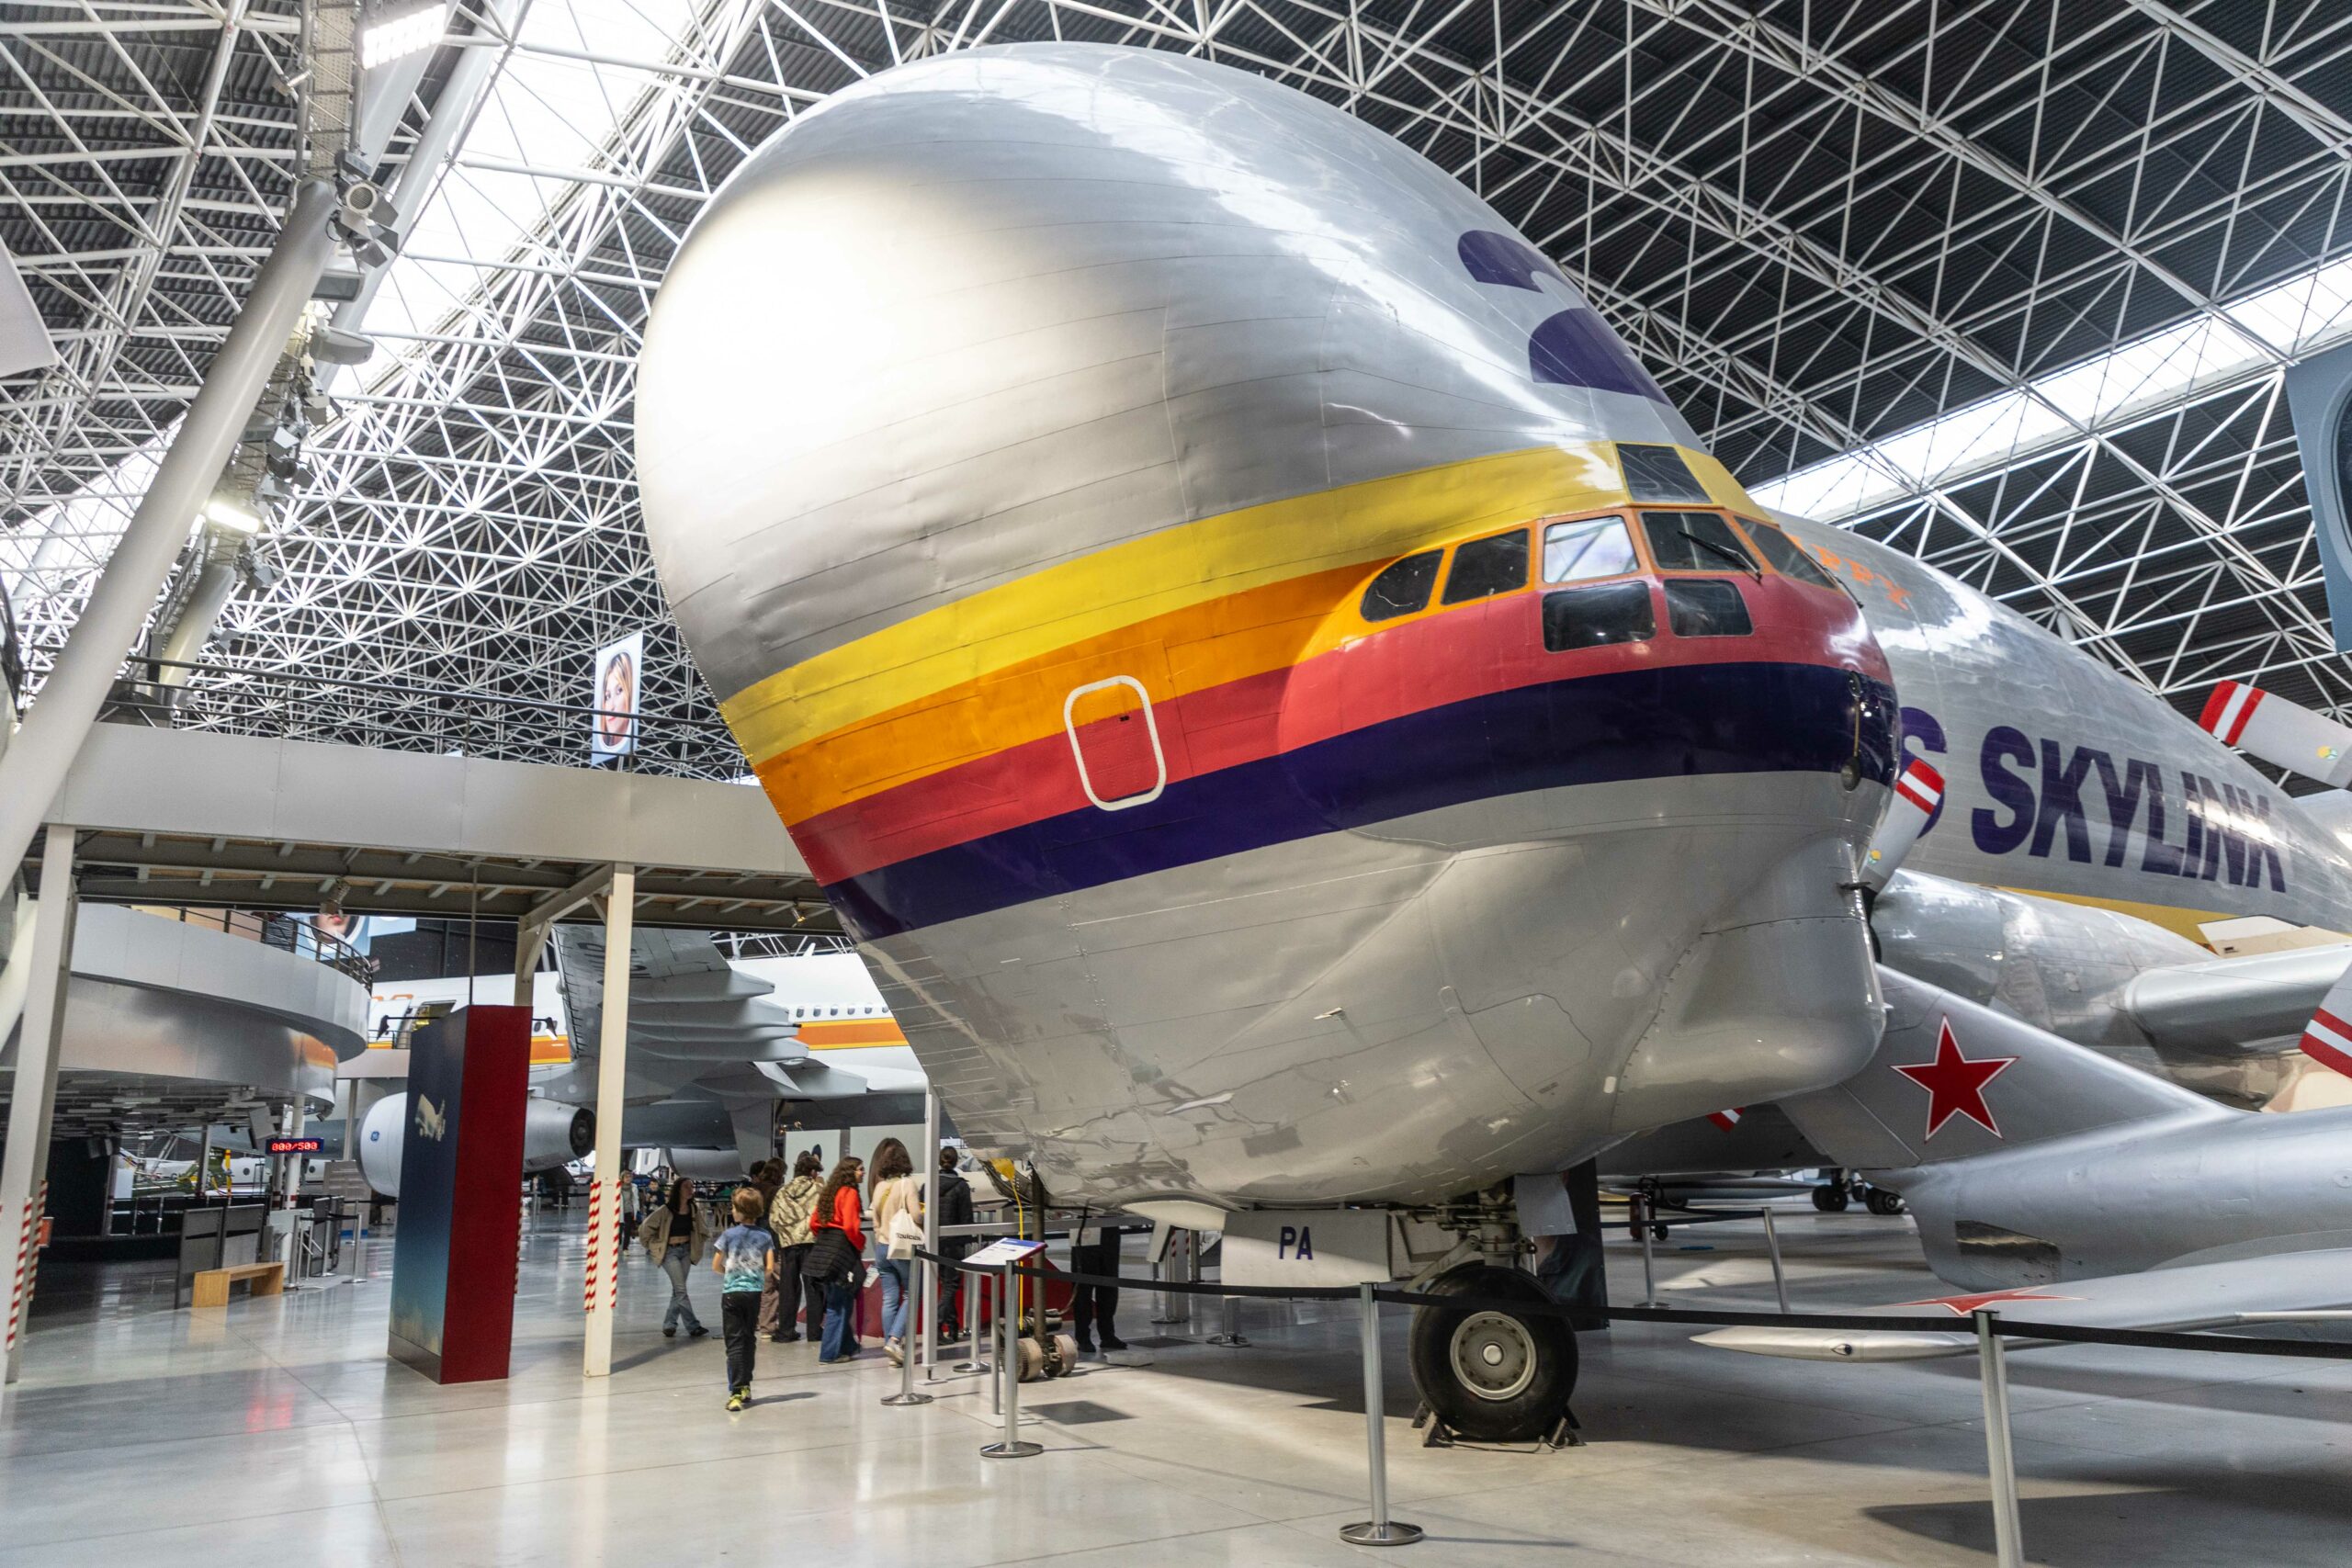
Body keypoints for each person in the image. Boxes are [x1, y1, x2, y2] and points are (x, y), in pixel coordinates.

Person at [711, 1187, 776, 1411]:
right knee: (749, 1338)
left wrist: (731, 1274)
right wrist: (756, 1276)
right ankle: (746, 1384)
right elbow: (769, 1267)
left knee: (734, 1343)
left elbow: (716, 1265)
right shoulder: (765, 1236)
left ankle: (736, 1390)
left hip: (732, 1293)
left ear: (738, 1211)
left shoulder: (728, 1235)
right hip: (754, 1293)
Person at [866, 1138, 922, 1366]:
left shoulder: (880, 1187)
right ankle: (894, 1340)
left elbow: (874, 1218)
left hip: (881, 1246)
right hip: (901, 1246)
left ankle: (892, 1350)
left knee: (889, 1298)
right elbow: (916, 1215)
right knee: (912, 1294)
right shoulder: (907, 1184)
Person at [807, 1155, 865, 1363]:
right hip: (842, 1252)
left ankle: (848, 1346)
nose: (863, 1173)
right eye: (860, 1169)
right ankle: (829, 1353)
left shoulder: (828, 1193)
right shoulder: (849, 1193)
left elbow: (813, 1223)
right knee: (840, 1305)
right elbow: (850, 1226)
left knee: (838, 1301)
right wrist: (860, 1242)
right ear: (851, 1172)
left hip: (823, 1250)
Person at [638, 1178, 710, 1338]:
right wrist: (652, 1245)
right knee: (681, 1290)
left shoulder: (693, 1209)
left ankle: (669, 1324)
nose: (691, 1190)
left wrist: (700, 1241)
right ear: (678, 1190)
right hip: (670, 1252)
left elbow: (702, 1228)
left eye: (692, 1186)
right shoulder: (665, 1210)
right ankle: (693, 1326)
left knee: (678, 1290)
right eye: (686, 1187)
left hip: (685, 1251)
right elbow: (645, 1228)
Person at [767, 1151, 824, 1343]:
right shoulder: (818, 1189)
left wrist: (786, 1235)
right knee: (813, 1289)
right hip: (811, 1244)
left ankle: (785, 1331)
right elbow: (824, 1215)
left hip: (789, 1245)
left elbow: (773, 1220)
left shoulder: (783, 1191)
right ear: (812, 1171)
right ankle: (814, 1332)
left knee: (788, 1288)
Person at [1069, 1219, 1130, 1354]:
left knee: (1109, 1287)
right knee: (1083, 1289)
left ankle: (1108, 1335)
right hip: (1085, 1227)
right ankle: (1083, 1337)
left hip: (1109, 1229)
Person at [933, 1145, 974, 1337]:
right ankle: (937, 1326)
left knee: (945, 1284)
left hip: (935, 1242)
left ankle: (953, 1326)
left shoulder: (929, 1185)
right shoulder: (961, 1186)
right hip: (954, 1243)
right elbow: (966, 1218)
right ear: (956, 1161)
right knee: (951, 1285)